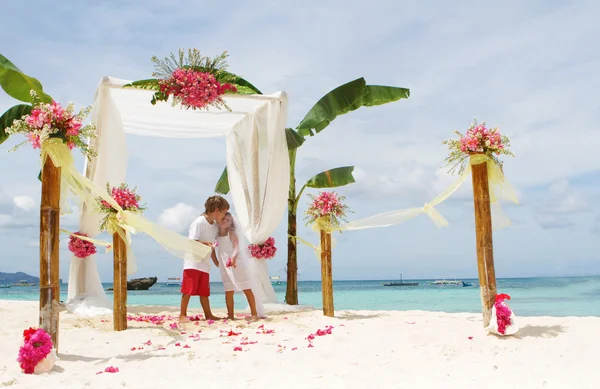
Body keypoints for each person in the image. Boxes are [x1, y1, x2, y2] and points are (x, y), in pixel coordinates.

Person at [179, 195, 229, 323]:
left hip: (205, 263)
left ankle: (208, 314)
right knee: (188, 290)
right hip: (193, 262)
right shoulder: (199, 222)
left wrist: (216, 261)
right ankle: (182, 315)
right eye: (223, 212)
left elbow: (212, 247)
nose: (224, 216)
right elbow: (192, 241)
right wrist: (206, 243)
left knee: (204, 291)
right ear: (216, 210)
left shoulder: (214, 227)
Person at [215, 212, 260, 321]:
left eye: (228, 220)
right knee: (228, 289)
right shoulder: (216, 235)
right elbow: (213, 249)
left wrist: (233, 258)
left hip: (235, 263)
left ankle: (254, 313)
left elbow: (236, 247)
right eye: (223, 218)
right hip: (224, 264)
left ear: (231, 223)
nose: (225, 221)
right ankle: (230, 315)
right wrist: (216, 261)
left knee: (245, 287)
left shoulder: (231, 233)